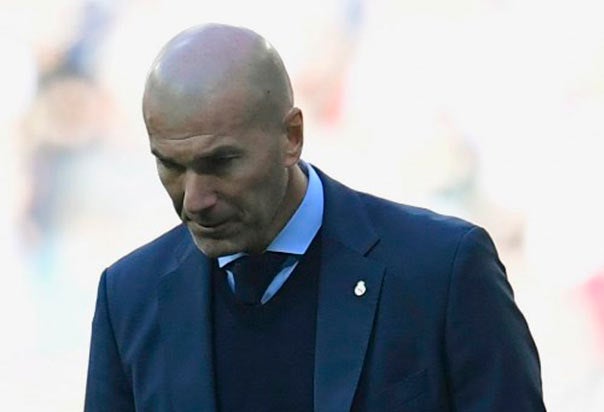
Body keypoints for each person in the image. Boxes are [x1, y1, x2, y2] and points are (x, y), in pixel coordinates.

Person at [85, 23, 545, 411]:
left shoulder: (442, 272)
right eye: (171, 165)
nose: (194, 199)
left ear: (292, 136)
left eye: (220, 162)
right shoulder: (128, 297)